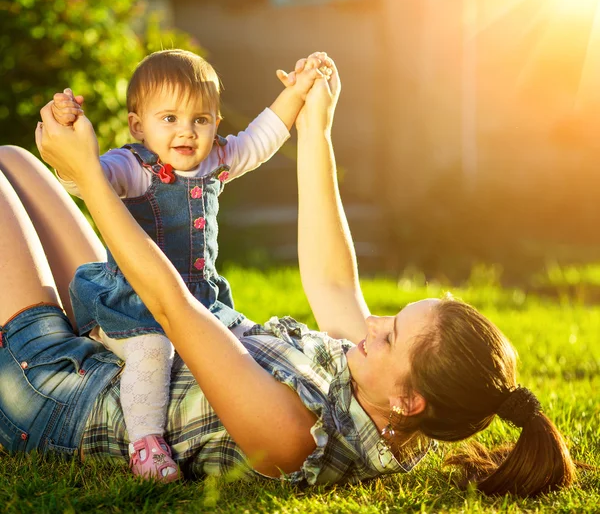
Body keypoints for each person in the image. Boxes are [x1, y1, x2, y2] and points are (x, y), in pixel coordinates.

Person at [0, 56, 575, 496]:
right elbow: (332, 285)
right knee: (15, 159)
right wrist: (315, 128)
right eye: (393, 318)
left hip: (63, 395)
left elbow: (175, 305)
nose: (371, 324)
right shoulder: (381, 402)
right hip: (119, 337)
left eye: (390, 335)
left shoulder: (293, 438)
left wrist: (91, 179)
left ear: (409, 400)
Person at [46, 49, 331, 481]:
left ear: (216, 123)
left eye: (200, 119)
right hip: (136, 305)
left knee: (242, 341)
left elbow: (262, 138)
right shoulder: (134, 167)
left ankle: (293, 390)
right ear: (138, 126)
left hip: (200, 303)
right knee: (152, 352)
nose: (187, 131)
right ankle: (145, 443)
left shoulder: (215, 160)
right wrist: (68, 139)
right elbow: (87, 180)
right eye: (170, 119)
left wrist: (296, 92)